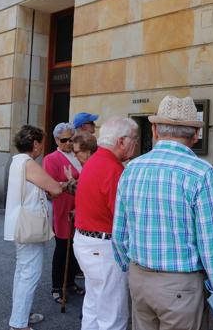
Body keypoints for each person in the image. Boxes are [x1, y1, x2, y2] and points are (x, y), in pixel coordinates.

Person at [113, 95, 213, 330]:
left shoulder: (131, 169)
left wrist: (131, 268)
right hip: (180, 285)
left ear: (155, 130)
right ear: (195, 135)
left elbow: (119, 233)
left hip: (139, 277)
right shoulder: (201, 172)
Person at [73, 116, 138, 330]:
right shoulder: (114, 169)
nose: (136, 143)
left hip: (86, 242)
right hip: (103, 248)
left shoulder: (95, 161)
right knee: (113, 316)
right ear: (121, 141)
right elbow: (124, 217)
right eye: (134, 138)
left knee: (93, 306)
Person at [4, 125, 62, 330]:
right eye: (41, 143)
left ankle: (20, 314)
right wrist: (64, 184)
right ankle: (19, 323)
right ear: (35, 143)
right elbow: (54, 187)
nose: (42, 147)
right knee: (30, 273)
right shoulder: (28, 163)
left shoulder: (16, 161)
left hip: (19, 223)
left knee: (22, 271)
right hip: (28, 224)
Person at [42, 123, 84, 303]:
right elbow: (49, 187)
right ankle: (57, 286)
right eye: (64, 140)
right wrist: (68, 183)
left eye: (71, 139)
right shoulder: (51, 159)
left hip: (80, 206)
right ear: (56, 140)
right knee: (62, 247)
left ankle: (70, 281)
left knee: (76, 246)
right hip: (63, 207)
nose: (68, 143)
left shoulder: (78, 155)